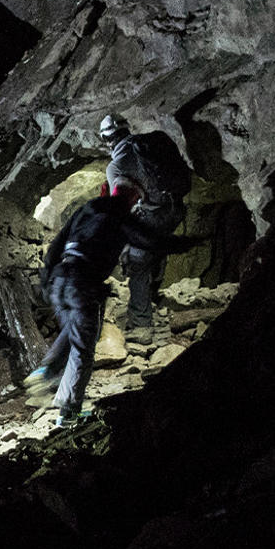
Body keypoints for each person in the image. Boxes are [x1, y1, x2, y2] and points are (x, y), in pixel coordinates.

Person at [27, 183, 202, 425]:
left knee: (73, 332)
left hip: (60, 279)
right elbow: (151, 241)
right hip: (83, 283)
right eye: (137, 199)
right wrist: (189, 243)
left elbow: (57, 243)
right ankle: (69, 413)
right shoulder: (120, 216)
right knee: (82, 349)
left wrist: (47, 279)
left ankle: (44, 372)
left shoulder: (87, 209)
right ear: (131, 198)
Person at [100, 113, 193, 345]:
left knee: (137, 263)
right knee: (158, 246)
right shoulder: (152, 143)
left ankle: (142, 324)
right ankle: (154, 294)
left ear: (106, 139)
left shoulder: (116, 166)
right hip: (176, 209)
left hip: (153, 215)